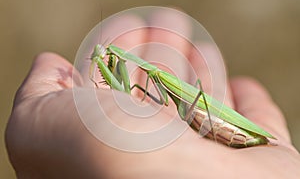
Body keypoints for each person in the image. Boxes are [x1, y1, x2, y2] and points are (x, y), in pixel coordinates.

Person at [5, 14, 300, 178]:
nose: (102, 61)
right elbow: (130, 92)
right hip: (202, 121)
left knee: (185, 97)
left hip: (226, 124)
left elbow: (133, 91)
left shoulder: (155, 75)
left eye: (105, 57)